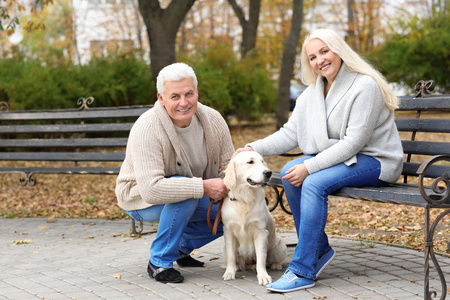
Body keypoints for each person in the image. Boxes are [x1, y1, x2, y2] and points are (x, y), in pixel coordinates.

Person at [233, 29, 404, 293]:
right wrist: (251, 147)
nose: (319, 60)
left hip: (375, 160)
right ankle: (319, 249)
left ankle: (304, 268)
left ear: (339, 50)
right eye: (312, 57)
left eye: (324, 51)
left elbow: (353, 143)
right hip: (344, 158)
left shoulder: (364, 85)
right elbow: (290, 134)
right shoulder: (312, 93)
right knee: (291, 170)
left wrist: (309, 166)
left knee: (311, 182)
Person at [115, 62, 235, 284]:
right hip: (140, 200)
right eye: (175, 96)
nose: (183, 102)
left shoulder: (214, 119)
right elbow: (151, 190)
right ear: (161, 98)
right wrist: (204, 187)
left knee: (235, 215)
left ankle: (180, 247)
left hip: (191, 195)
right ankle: (159, 262)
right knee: (185, 190)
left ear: (197, 92)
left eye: (189, 94)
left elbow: (228, 165)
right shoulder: (147, 127)